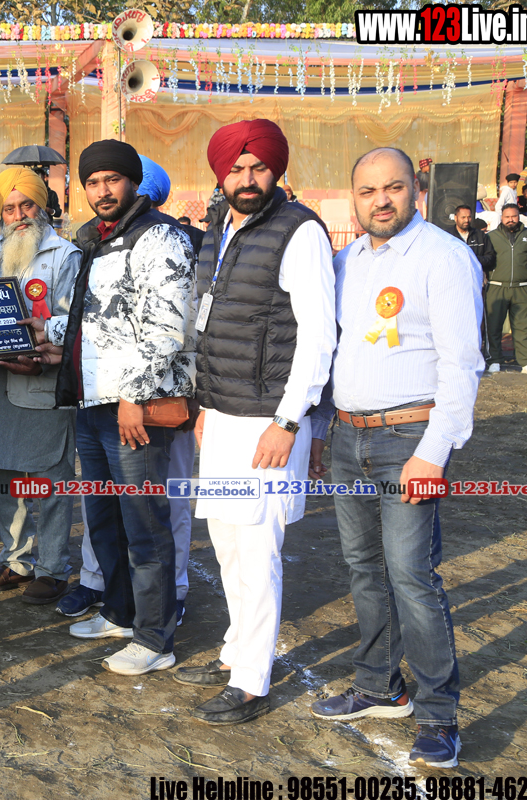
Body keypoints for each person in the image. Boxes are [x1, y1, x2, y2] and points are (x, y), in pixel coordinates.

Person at [308, 147, 483, 771]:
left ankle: (439, 716)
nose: (381, 200)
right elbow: (336, 354)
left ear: (417, 190)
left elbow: (462, 364)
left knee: (411, 575)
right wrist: (323, 432)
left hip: (410, 438)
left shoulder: (444, 256)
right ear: (353, 198)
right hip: (349, 437)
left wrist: (433, 453)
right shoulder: (345, 262)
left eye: (394, 188)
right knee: (363, 568)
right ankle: (380, 686)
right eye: (367, 190)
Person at [178, 119, 335, 726]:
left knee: (257, 549)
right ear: (221, 174)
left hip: (269, 419)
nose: (247, 179)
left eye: (258, 168)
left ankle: (251, 681)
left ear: (277, 170)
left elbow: (318, 334)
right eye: (236, 169)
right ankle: (235, 651)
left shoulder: (300, 232)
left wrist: (290, 421)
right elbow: (213, 322)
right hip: (222, 413)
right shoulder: (219, 227)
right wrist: (205, 406)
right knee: (225, 543)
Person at [52, 140, 195, 678]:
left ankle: (156, 638)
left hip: (133, 407)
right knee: (104, 518)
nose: (102, 190)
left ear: (133, 182)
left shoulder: (161, 237)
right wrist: (46, 334)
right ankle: (118, 611)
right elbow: (92, 320)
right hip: (91, 402)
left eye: (112, 179)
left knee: (144, 523)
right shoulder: (94, 239)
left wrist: (135, 398)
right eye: (92, 182)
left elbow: (167, 328)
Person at [0, 166, 80, 604]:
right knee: (2, 477)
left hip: (42, 382)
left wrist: (40, 354)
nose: (18, 216)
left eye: (26, 205)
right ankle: (16, 561)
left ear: (42, 207)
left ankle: (52, 569)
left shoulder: (65, 255)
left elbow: (74, 324)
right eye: (9, 208)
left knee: (49, 481)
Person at [486, 203, 527, 373]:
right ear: (502, 218)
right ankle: (494, 360)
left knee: (523, 326)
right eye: (507, 217)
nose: (510, 220)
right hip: (497, 286)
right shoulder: (491, 237)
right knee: (494, 326)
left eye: (514, 216)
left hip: (521, 288)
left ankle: (526, 361)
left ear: (519, 216)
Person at [446, 205, 496, 360]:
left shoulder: (480, 236)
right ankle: (454, 355)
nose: (467, 220)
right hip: (453, 286)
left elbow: (490, 258)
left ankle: (476, 355)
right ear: (456, 218)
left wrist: (470, 259)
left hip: (476, 286)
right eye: (463, 217)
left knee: (476, 322)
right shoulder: (446, 236)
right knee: (454, 321)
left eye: (469, 217)